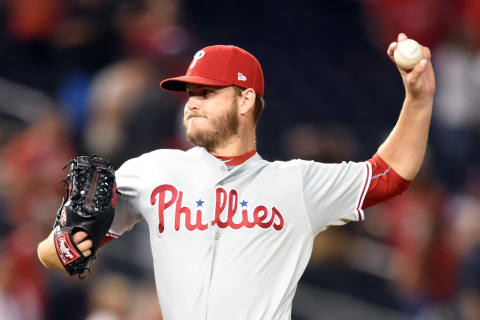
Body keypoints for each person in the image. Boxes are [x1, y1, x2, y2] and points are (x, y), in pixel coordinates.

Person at [37, 33, 435, 319]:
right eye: (191, 93)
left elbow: (388, 176)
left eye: (208, 93)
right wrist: (64, 249)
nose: (193, 103)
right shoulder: (153, 169)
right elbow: (55, 249)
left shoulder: (295, 184)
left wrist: (418, 100)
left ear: (246, 99)